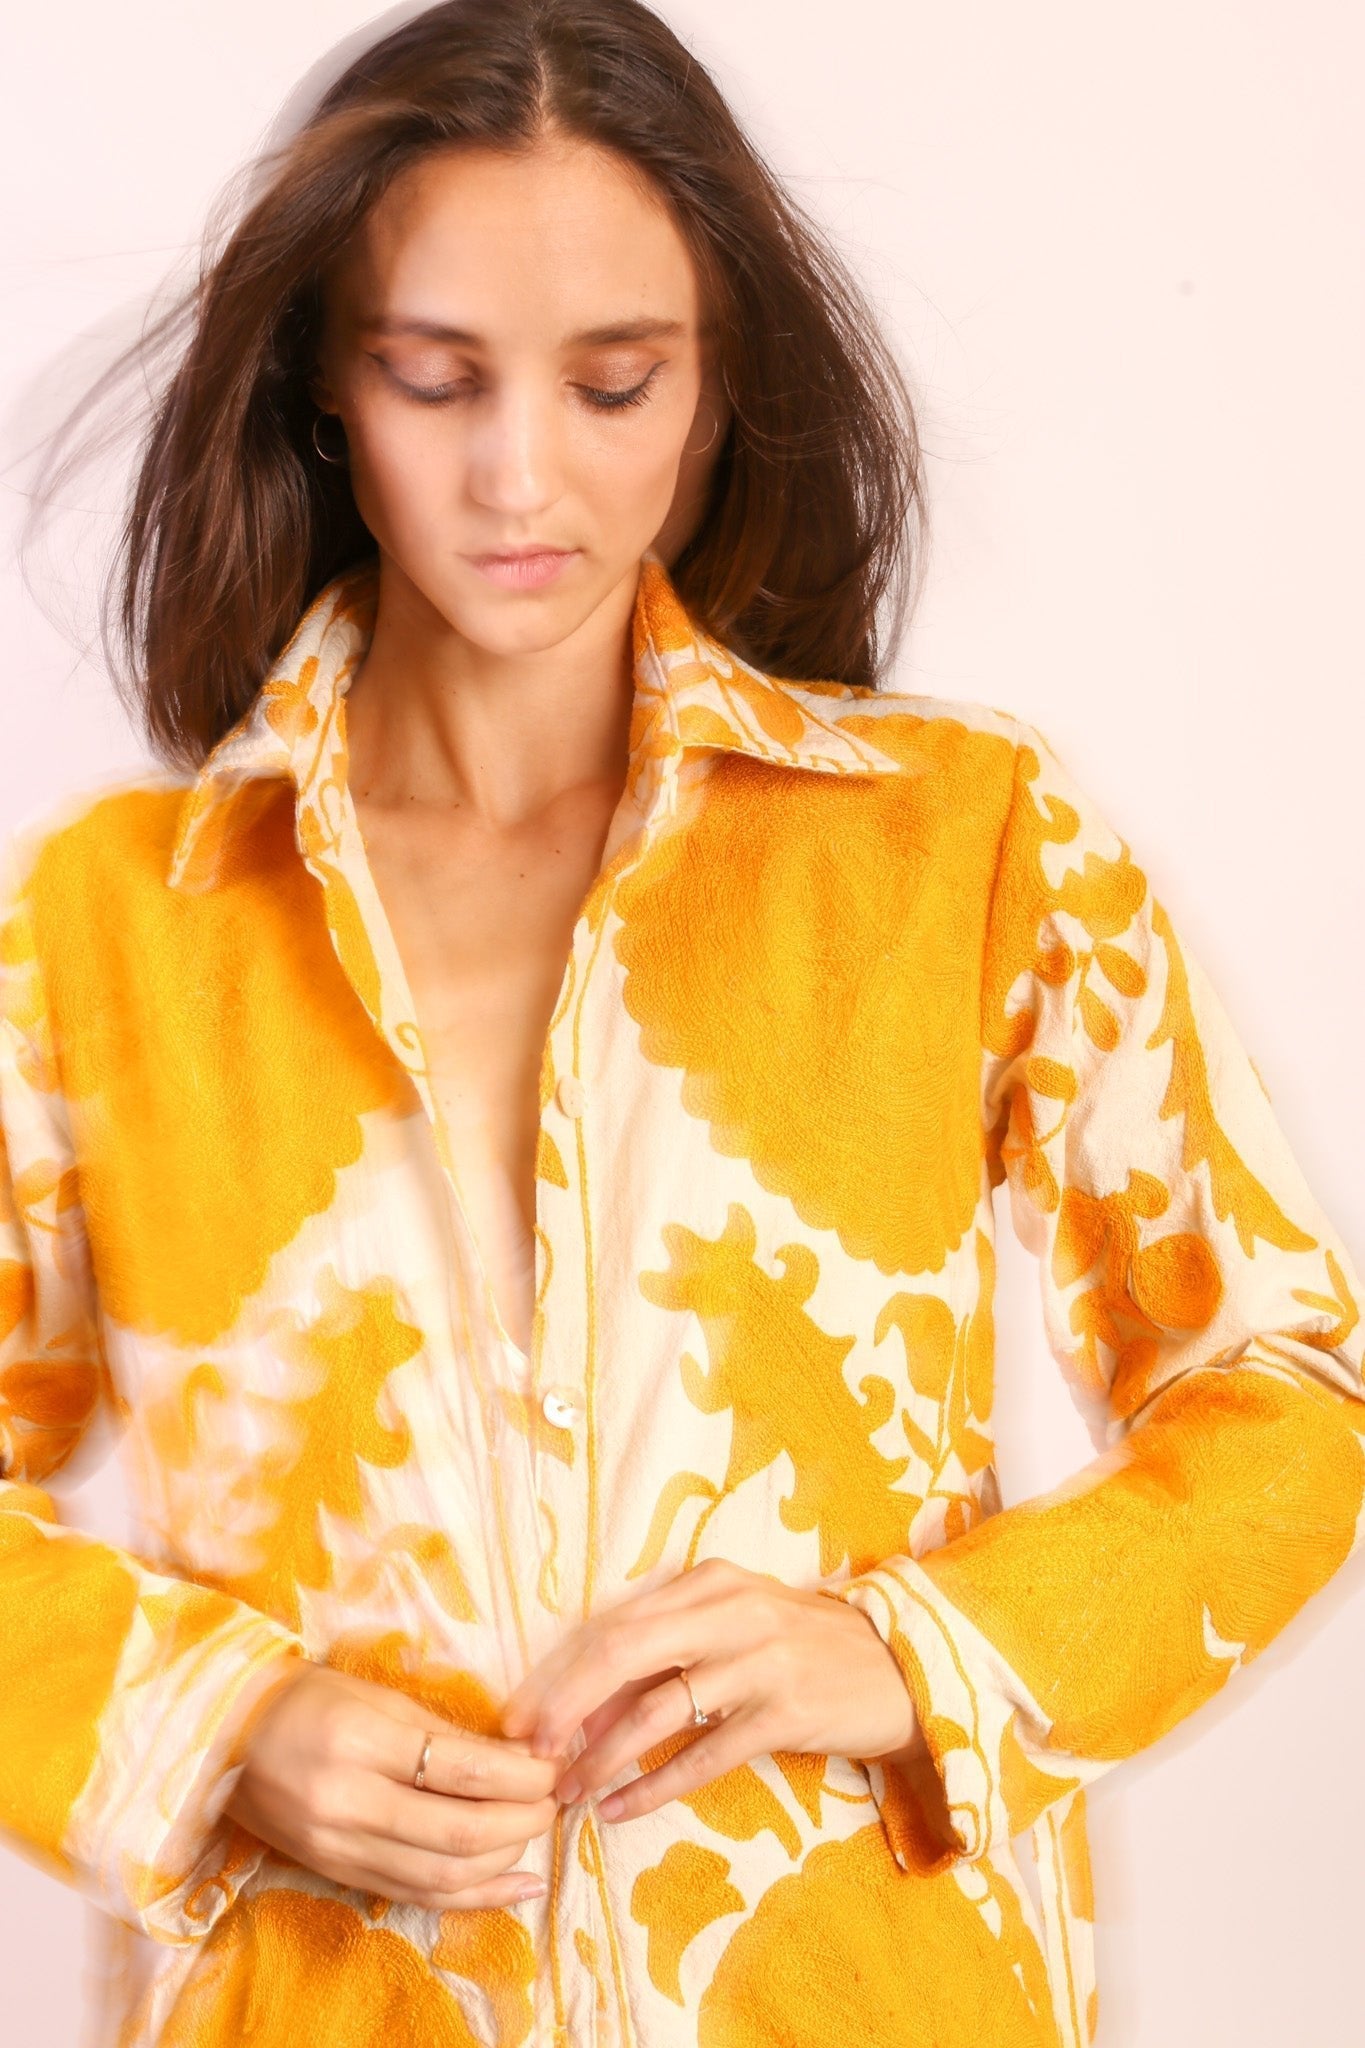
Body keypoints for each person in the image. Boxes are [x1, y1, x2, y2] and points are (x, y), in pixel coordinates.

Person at [3, 2, 1362, 2044]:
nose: (518, 472)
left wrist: (912, 1651)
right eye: (434, 376)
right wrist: (213, 1722)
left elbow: (1285, 1393)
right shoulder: (108, 927)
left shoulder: (962, 846)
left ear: (717, 390)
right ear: (323, 390)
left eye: (612, 381)